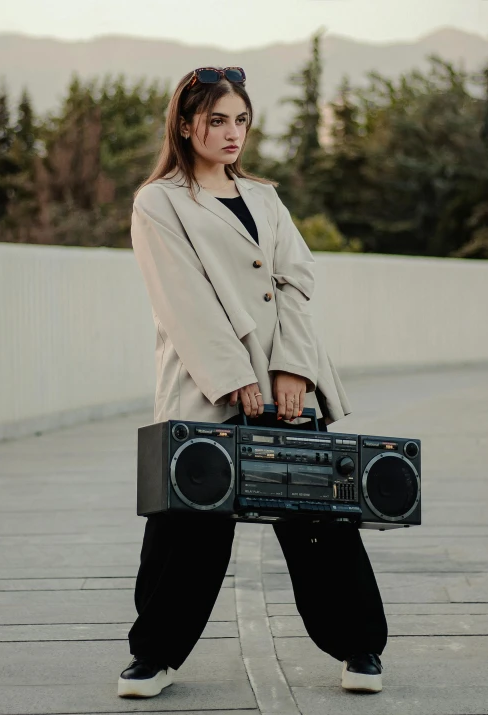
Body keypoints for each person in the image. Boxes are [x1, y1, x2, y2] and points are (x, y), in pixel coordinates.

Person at [118, 66, 387, 699]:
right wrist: (237, 379)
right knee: (186, 526)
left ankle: (359, 648)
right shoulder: (159, 202)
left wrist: (293, 367)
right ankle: (153, 657)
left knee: (319, 514)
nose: (231, 132)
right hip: (207, 386)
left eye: (240, 119)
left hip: (291, 383)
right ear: (186, 125)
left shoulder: (264, 196)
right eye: (216, 120)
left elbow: (297, 279)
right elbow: (182, 299)